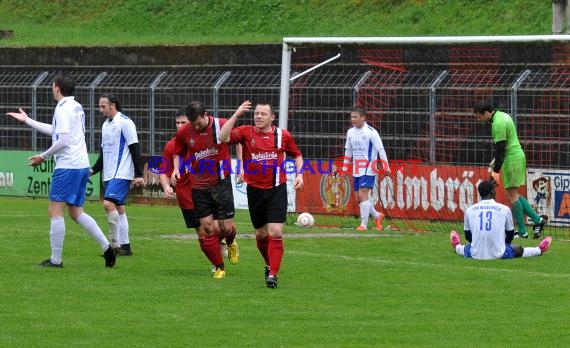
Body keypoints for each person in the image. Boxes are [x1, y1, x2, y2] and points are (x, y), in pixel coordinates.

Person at [5, 73, 117, 268]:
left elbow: (63, 140)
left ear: (57, 88)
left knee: (55, 209)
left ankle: (56, 260)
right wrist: (28, 120)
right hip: (81, 165)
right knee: (76, 212)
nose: (51, 89)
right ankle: (107, 247)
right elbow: (57, 131)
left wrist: (43, 156)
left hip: (68, 166)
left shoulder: (62, 109)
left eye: (52, 86)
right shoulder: (75, 106)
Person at [219, 101, 305, 289]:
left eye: (263, 114)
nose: (258, 116)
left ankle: (273, 274)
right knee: (261, 234)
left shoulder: (283, 135)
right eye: (256, 113)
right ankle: (268, 263)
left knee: (275, 232)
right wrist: (236, 114)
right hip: (255, 191)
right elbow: (222, 137)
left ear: (272, 117)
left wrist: (300, 175)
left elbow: (297, 155)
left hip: (277, 189)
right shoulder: (245, 131)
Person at [171, 101, 240, 279]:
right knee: (208, 228)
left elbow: (238, 141)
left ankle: (231, 241)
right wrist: (176, 169)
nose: (196, 126)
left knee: (225, 227)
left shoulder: (220, 124)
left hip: (221, 182)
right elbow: (177, 151)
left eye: (199, 123)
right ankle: (219, 267)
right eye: (192, 123)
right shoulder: (185, 131)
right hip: (199, 186)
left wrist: (241, 166)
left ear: (206, 114)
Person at [159, 107, 227, 273]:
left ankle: (224, 242)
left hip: (208, 190)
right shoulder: (171, 146)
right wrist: (167, 185)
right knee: (203, 233)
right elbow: (163, 171)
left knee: (218, 228)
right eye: (177, 123)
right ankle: (216, 263)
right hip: (187, 196)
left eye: (184, 123)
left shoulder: (203, 140)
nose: (180, 126)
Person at [473, 101, 547, 239]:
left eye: (479, 116)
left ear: (487, 113)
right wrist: (495, 162)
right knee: (514, 194)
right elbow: (506, 145)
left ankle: (524, 232)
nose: (479, 120)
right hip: (516, 156)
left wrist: (495, 172)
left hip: (512, 159)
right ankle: (537, 221)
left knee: (512, 196)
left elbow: (501, 150)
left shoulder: (497, 124)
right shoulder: (502, 115)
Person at [90, 93, 144, 256]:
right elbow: (103, 154)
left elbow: (135, 148)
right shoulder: (106, 125)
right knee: (119, 209)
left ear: (113, 105)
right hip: (108, 174)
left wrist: (138, 173)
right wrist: (93, 170)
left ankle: (114, 245)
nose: (100, 110)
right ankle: (125, 247)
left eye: (103, 106)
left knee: (108, 204)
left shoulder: (125, 123)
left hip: (122, 172)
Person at [450, 180, 552, 260]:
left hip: (475, 253)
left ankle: (457, 246)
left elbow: (468, 236)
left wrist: (478, 244)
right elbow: (510, 234)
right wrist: (504, 244)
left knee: (467, 248)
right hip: (498, 253)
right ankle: (539, 250)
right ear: (492, 192)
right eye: (494, 189)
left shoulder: (469, 210)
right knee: (518, 249)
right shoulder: (504, 209)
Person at [343, 107, 391, 231]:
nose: (353, 119)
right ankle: (377, 215)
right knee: (358, 198)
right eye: (352, 117)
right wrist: (344, 166)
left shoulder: (371, 132)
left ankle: (363, 225)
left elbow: (381, 149)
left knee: (363, 193)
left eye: (355, 117)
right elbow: (348, 151)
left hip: (369, 167)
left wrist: (386, 166)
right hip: (356, 169)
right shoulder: (350, 132)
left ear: (363, 117)